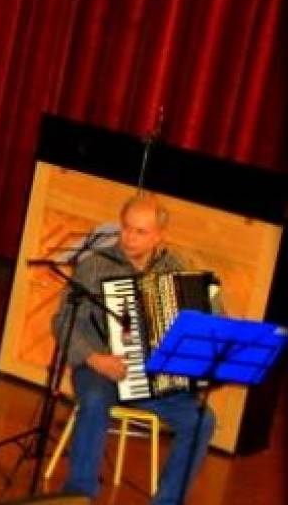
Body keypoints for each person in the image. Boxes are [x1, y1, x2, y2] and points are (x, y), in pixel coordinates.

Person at [52, 195, 216, 504]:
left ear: (159, 236)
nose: (129, 237)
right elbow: (63, 321)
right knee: (95, 399)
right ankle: (79, 495)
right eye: (126, 228)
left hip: (152, 377)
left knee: (201, 420)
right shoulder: (95, 265)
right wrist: (94, 358)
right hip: (100, 368)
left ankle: (167, 501)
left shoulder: (175, 270)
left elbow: (202, 323)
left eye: (140, 232)